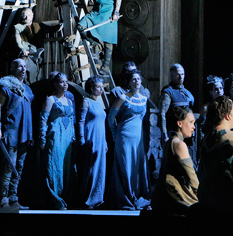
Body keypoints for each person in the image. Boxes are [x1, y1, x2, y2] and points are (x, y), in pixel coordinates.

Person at [0, 58, 34, 209]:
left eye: (24, 66)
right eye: (18, 66)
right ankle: (3, 198)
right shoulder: (5, 86)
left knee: (19, 167)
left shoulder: (27, 89)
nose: (22, 69)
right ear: (12, 68)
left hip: (25, 133)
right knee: (9, 167)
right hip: (11, 133)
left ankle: (13, 196)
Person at [107, 66, 150, 210]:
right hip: (124, 136)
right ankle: (126, 197)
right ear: (129, 82)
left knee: (137, 167)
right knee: (126, 166)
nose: (137, 81)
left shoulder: (144, 99)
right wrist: (114, 134)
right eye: (134, 79)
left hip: (138, 138)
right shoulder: (123, 97)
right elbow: (111, 117)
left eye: (138, 79)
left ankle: (138, 196)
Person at [77, 0, 122, 73]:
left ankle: (106, 66)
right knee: (81, 25)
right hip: (97, 10)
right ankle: (96, 43)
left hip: (108, 10)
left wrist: (116, 12)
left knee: (109, 40)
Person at [151, 105, 199, 215]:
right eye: (191, 122)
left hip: (165, 193)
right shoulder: (179, 144)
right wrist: (201, 194)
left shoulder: (171, 141)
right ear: (180, 123)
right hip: (173, 194)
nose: (193, 127)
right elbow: (191, 176)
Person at [38, 72, 76, 209]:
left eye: (66, 82)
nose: (65, 85)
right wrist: (42, 139)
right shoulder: (51, 100)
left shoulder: (70, 101)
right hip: (55, 136)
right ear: (55, 84)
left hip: (67, 138)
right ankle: (55, 199)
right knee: (54, 167)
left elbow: (72, 120)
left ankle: (64, 196)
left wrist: (73, 137)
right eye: (61, 82)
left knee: (66, 168)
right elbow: (43, 120)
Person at [77, 76, 107, 209]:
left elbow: (102, 123)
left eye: (102, 87)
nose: (100, 89)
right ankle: (86, 199)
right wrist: (82, 140)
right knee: (90, 169)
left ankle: (97, 198)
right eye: (98, 87)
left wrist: (105, 141)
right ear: (91, 87)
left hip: (100, 137)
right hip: (90, 136)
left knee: (100, 167)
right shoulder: (86, 101)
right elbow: (80, 121)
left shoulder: (100, 103)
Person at [159, 63, 195, 143]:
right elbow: (162, 114)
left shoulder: (188, 94)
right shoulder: (168, 92)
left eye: (182, 74)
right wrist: (165, 135)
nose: (181, 77)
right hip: (173, 133)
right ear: (172, 76)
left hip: (187, 133)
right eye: (178, 74)